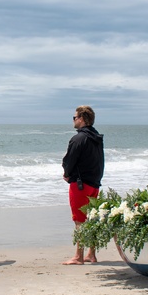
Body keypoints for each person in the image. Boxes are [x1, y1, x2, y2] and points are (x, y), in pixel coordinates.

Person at [62, 105, 105, 265]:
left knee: (79, 220)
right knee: (91, 218)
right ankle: (91, 254)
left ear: (82, 119)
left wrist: (67, 174)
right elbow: (100, 161)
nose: (73, 120)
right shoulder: (97, 138)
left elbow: (69, 160)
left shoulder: (78, 139)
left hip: (80, 184)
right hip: (94, 183)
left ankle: (78, 256)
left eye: (75, 117)